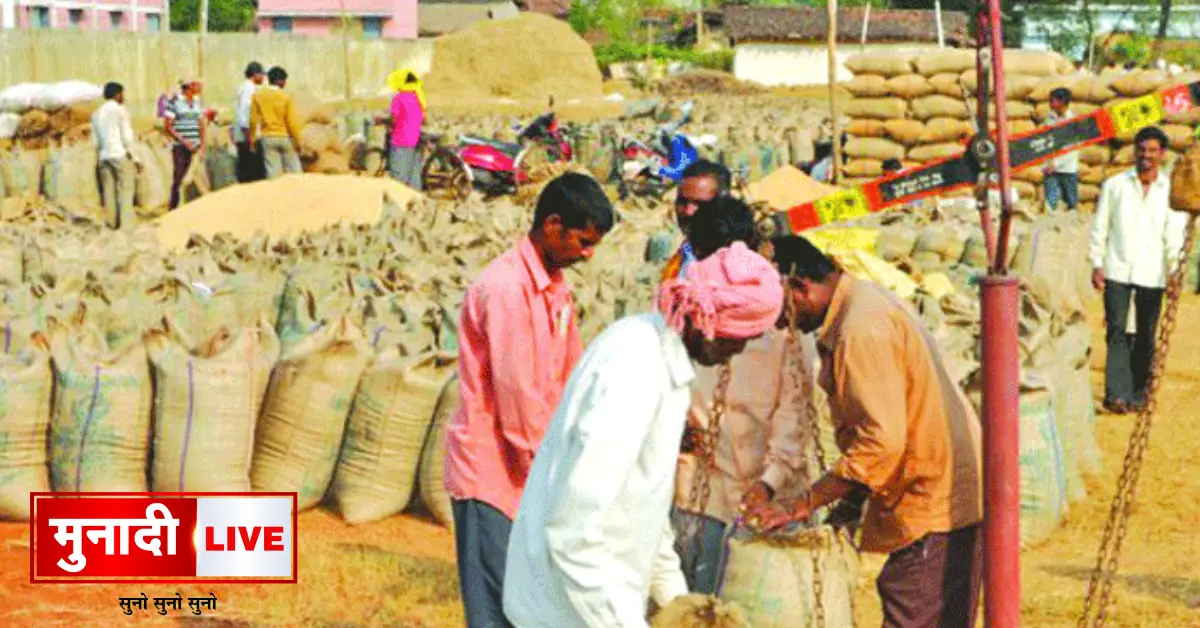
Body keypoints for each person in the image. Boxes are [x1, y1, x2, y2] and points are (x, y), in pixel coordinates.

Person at [503, 240, 784, 628]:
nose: (740, 349)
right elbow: (573, 530)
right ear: (710, 321)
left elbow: (643, 507)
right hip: (564, 608)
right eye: (742, 336)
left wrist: (682, 603)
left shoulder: (663, 361)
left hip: (599, 603)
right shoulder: (634, 368)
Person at [748, 235, 984, 628]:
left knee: (913, 605)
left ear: (800, 287)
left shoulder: (860, 329)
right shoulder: (862, 301)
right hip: (937, 485)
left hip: (933, 497)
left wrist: (806, 501)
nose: (776, 320)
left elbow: (883, 441)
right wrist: (847, 505)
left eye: (777, 306)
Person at [445, 172, 615, 628]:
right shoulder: (505, 290)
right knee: (499, 611)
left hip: (533, 472)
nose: (588, 253)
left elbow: (570, 376)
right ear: (553, 225)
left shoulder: (556, 287)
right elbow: (519, 402)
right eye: (583, 240)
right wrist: (559, 478)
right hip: (495, 477)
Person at [669, 194, 812, 595]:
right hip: (697, 493)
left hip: (763, 500)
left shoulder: (777, 318)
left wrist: (768, 482)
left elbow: (793, 420)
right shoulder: (685, 306)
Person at [1089, 125, 1188, 414]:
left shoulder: (1169, 191)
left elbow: (1174, 234)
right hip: (1118, 268)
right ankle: (1116, 394)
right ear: (1135, 152)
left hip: (1152, 273)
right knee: (1117, 331)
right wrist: (1097, 263)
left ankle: (1137, 394)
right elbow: (1100, 226)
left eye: (1153, 151)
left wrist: (1174, 271)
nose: (1146, 156)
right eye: (1142, 150)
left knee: (1145, 333)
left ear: (1162, 154)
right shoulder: (1115, 186)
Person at [660, 159, 733, 282]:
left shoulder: (737, 263)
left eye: (699, 203)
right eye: (682, 202)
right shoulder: (683, 255)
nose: (689, 211)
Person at [91, 81, 139, 230]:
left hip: (104, 157)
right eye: (122, 93)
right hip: (119, 154)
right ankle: (126, 227)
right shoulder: (119, 110)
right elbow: (126, 135)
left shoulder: (96, 114)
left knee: (108, 192)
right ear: (117, 94)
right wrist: (134, 156)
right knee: (126, 190)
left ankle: (111, 224)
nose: (123, 97)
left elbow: (95, 141)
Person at [249, 66, 303, 180]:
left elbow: (253, 120)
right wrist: (298, 141)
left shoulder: (257, 96)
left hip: (267, 138)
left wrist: (252, 141)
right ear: (282, 81)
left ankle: (276, 196)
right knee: (295, 171)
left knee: (273, 174)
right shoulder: (286, 97)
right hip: (285, 137)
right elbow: (291, 122)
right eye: (285, 81)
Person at [163, 79, 206, 210]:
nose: (201, 86)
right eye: (197, 84)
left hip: (196, 146)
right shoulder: (174, 102)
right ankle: (174, 208)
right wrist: (184, 141)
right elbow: (168, 126)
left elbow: (201, 124)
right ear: (189, 87)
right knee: (179, 177)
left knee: (198, 178)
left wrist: (202, 144)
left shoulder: (197, 102)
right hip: (180, 147)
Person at [384, 68, 426, 190]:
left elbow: (393, 119)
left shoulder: (399, 98)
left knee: (398, 174)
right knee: (413, 173)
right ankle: (415, 200)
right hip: (415, 139)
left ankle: (397, 200)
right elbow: (422, 118)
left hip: (401, 139)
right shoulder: (417, 96)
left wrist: (383, 121)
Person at [1042, 87, 1081, 212]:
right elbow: (1046, 143)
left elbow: (1073, 148)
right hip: (1050, 169)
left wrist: (1056, 163)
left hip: (1067, 168)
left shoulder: (1073, 121)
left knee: (1071, 204)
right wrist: (1047, 163)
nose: (1050, 103)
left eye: (1052, 100)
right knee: (1050, 203)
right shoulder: (1049, 119)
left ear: (1062, 101)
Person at [234, 61, 266, 183]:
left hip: (246, 136)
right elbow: (245, 115)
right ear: (254, 74)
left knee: (248, 173)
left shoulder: (246, 87)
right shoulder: (249, 89)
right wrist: (250, 140)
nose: (263, 77)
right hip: (248, 137)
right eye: (261, 74)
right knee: (253, 175)